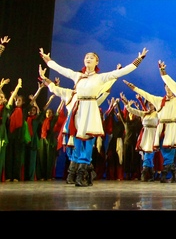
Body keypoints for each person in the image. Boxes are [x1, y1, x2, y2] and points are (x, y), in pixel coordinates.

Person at [39, 47, 148, 187]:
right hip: (79, 110)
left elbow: (123, 71)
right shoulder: (77, 76)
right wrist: (48, 60)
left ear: (97, 62)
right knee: (77, 141)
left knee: (88, 141)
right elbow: (60, 69)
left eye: (91, 57)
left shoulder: (100, 77)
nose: (88, 59)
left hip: (90, 109)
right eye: (86, 57)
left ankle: (83, 172)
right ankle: (81, 172)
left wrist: (139, 59)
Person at [122, 80, 176, 183]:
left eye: (170, 86)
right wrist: (134, 88)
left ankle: (166, 172)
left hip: (171, 126)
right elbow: (146, 95)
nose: (169, 88)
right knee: (158, 150)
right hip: (160, 127)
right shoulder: (158, 100)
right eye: (167, 86)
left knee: (169, 149)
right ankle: (158, 171)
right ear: (165, 88)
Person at [123, 96, 159, 182]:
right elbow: (133, 111)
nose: (150, 105)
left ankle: (146, 171)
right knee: (147, 153)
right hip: (145, 134)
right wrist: (127, 105)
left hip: (153, 134)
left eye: (151, 104)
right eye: (149, 104)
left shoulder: (157, 113)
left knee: (149, 153)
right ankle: (150, 174)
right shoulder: (145, 113)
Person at [0, 78, 22, 182]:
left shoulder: (6, 108)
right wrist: (1, 86)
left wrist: (18, 86)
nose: (1, 98)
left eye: (2, 97)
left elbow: (12, 96)